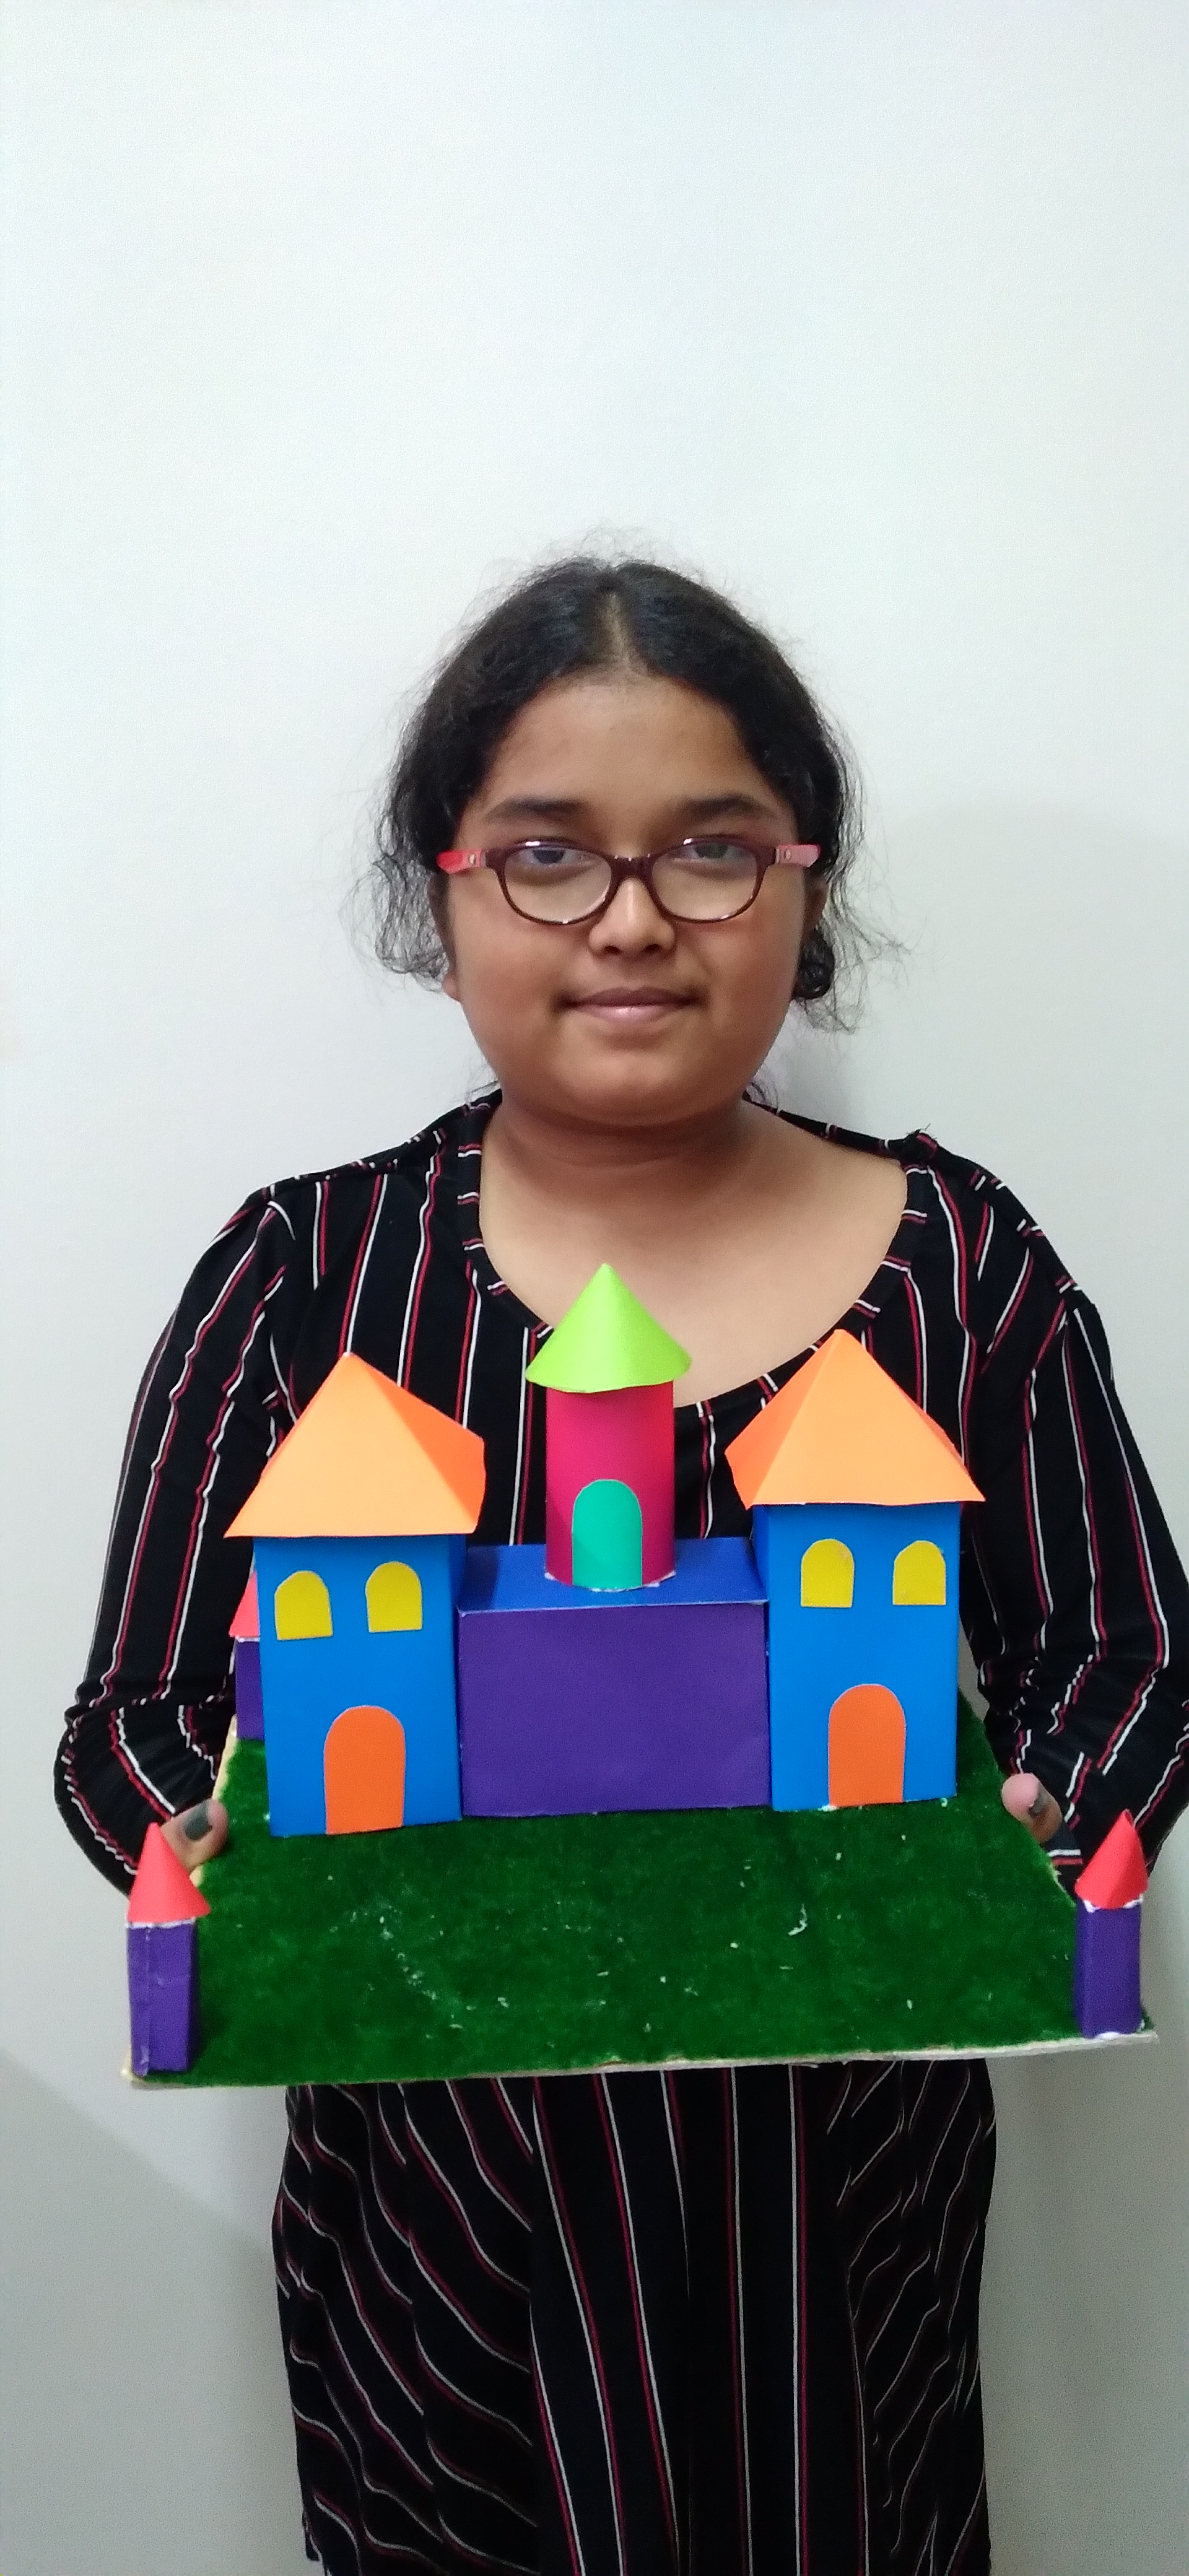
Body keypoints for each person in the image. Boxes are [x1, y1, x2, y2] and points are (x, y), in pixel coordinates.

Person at [56, 559, 1189, 2576]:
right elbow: (137, 1715)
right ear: (447, 892)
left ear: (806, 883)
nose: (637, 918)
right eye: (550, 854)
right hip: (439, 2238)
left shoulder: (963, 1263)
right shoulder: (308, 1278)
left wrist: (1037, 1817)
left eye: (715, 849)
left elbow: (1123, 1655)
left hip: (842, 2235)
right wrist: (228, 1843)